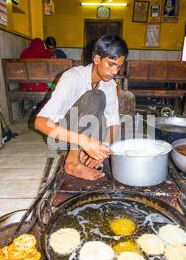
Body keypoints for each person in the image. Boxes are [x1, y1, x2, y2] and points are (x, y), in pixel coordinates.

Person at [34, 35, 128, 181]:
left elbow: (113, 122)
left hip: (84, 138)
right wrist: (84, 141)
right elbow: (39, 122)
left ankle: (84, 153)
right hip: (61, 139)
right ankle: (72, 162)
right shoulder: (73, 78)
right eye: (111, 64)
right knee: (96, 96)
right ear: (97, 59)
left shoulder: (109, 84)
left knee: (115, 134)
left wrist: (102, 150)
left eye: (119, 66)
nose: (115, 71)